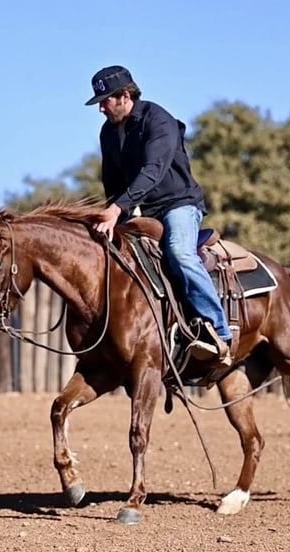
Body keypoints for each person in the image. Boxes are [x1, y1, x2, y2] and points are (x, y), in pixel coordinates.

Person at [85, 65, 232, 368]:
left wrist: (117, 209)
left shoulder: (159, 120)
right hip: (141, 209)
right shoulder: (108, 133)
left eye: (105, 100)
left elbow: (153, 171)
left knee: (179, 252)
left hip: (179, 204)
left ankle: (219, 332)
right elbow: (112, 182)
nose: (101, 108)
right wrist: (113, 212)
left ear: (125, 96)